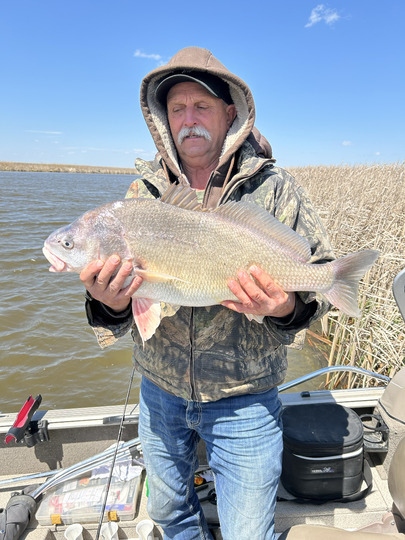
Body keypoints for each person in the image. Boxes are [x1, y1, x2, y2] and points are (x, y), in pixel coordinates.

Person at [80, 47, 334, 539]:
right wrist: (109, 303)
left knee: (248, 533)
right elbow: (125, 310)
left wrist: (283, 305)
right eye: (178, 108)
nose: (189, 120)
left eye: (202, 107)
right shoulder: (141, 196)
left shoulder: (274, 189)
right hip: (159, 394)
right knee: (171, 516)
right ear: (163, 119)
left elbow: (318, 278)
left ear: (229, 113)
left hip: (246, 402)